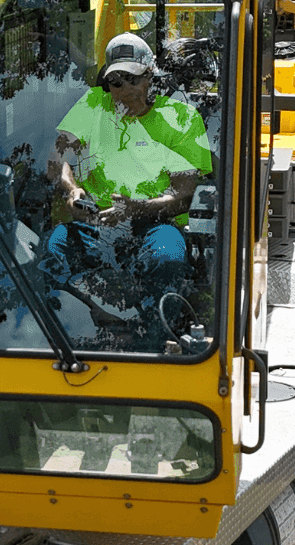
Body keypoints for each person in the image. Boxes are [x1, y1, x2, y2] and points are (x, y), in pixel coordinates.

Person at [42, 32, 212, 347]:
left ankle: (157, 341)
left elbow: (184, 196)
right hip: (95, 224)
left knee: (168, 259)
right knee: (56, 250)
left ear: (150, 76)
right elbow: (58, 157)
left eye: (132, 80)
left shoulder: (180, 118)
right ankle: (63, 339)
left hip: (154, 224)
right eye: (115, 82)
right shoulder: (93, 103)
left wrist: (136, 209)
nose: (123, 91)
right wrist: (72, 189)